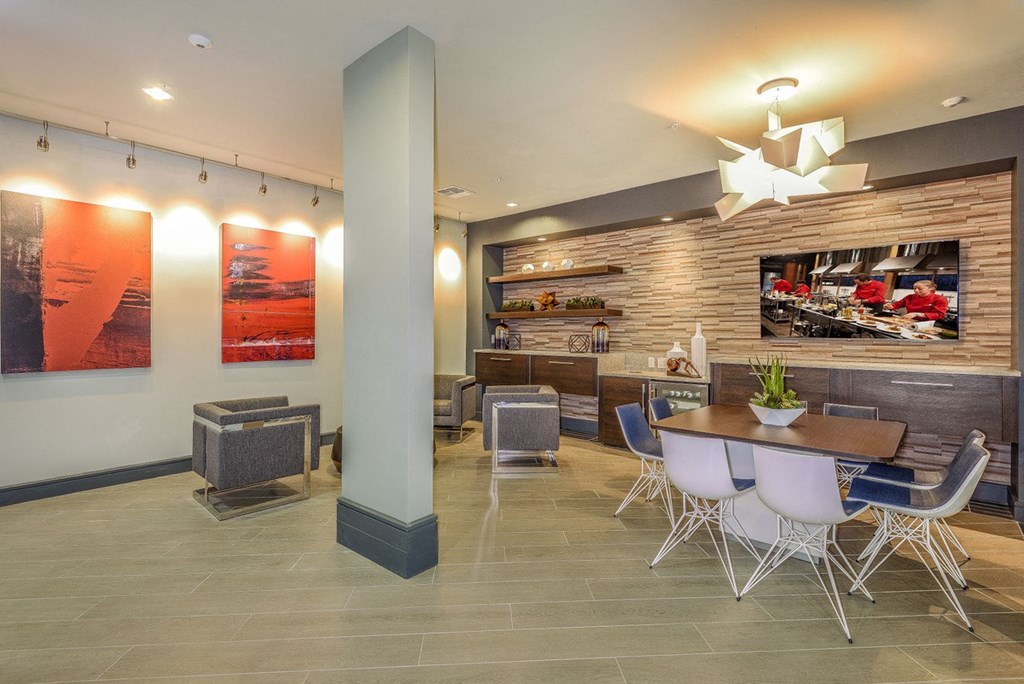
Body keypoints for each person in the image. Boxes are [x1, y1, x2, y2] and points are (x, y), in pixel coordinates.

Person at [883, 279, 948, 320]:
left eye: (920, 289)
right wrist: (890, 306)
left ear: (931, 289)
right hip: (909, 321)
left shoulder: (940, 299)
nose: (916, 290)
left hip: (926, 324)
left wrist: (917, 314)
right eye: (914, 288)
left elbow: (939, 315)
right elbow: (897, 304)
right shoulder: (910, 297)